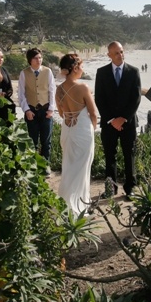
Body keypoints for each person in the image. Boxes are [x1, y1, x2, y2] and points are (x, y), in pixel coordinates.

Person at [94, 41, 142, 199]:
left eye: (121, 52)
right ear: (109, 55)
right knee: (110, 156)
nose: (120, 55)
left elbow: (136, 98)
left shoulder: (133, 72)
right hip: (109, 124)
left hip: (128, 123)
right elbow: (99, 99)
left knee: (130, 155)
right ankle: (111, 188)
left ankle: (130, 188)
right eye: (116, 53)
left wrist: (123, 118)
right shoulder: (101, 73)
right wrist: (112, 120)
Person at [56, 53, 98, 217]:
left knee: (69, 167)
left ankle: (66, 203)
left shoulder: (59, 89)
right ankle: (80, 205)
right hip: (82, 131)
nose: (82, 69)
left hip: (67, 130)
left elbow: (61, 113)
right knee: (82, 168)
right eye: (81, 66)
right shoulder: (83, 87)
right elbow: (93, 113)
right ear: (74, 68)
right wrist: (92, 129)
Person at [18, 48, 56, 174]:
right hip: (31, 111)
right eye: (35, 58)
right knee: (32, 140)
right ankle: (32, 166)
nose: (38, 60)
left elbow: (52, 91)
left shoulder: (48, 71)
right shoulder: (24, 73)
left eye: (40, 57)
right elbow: (21, 94)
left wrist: (51, 110)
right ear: (30, 60)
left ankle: (45, 166)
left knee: (46, 141)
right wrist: (27, 110)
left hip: (45, 110)